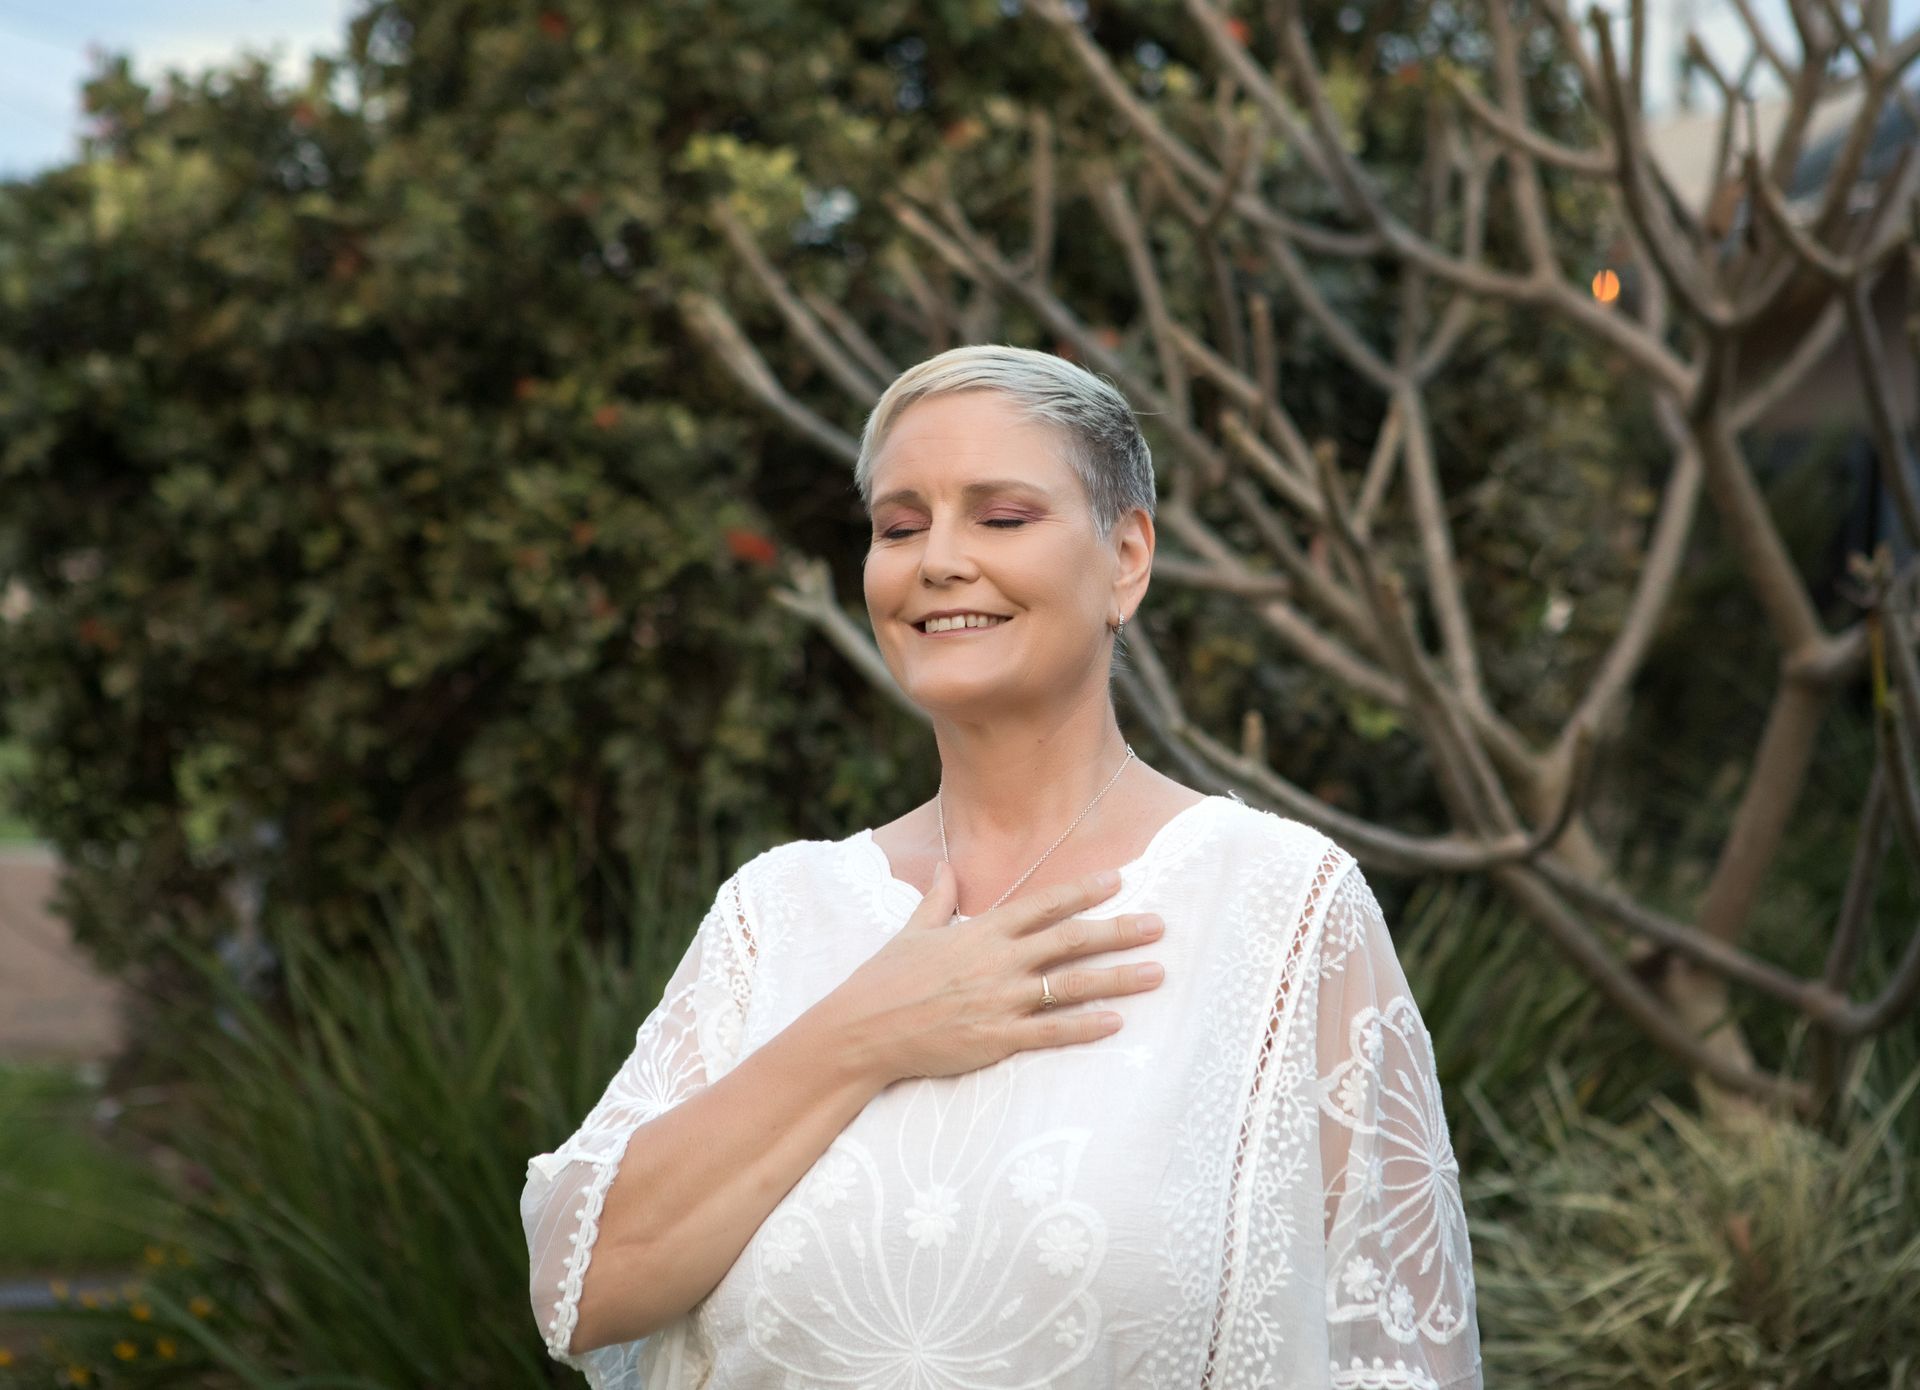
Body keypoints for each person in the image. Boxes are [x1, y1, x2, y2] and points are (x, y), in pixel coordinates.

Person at [520, 345, 1482, 1388]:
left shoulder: (1282, 908)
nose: (937, 559)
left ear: (1127, 558)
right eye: (899, 525)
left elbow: (1403, 1356)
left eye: (1002, 516)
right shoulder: (776, 912)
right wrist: (864, 1033)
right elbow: (584, 1283)